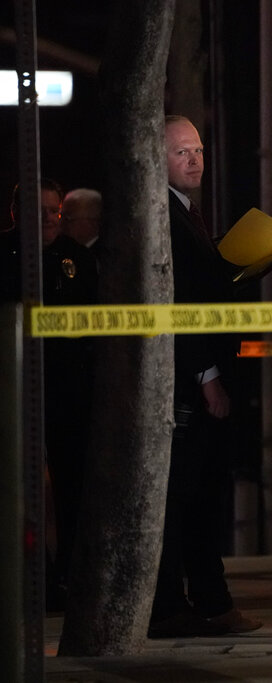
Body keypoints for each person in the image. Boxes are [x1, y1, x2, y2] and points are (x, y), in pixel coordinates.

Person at [149, 115, 262, 637]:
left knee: (202, 494)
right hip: (191, 384)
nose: (195, 159)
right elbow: (181, 305)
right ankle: (176, 604)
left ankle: (207, 599)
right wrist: (208, 375)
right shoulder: (165, 219)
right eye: (181, 152)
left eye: (197, 149)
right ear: (157, 160)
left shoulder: (187, 212)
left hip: (202, 375)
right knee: (187, 496)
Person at [8, 179, 98, 609]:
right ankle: (30, 577)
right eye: (39, 209)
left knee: (71, 488)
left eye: (53, 210)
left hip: (67, 391)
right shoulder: (6, 254)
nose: (48, 217)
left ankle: (66, 577)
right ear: (16, 213)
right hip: (16, 388)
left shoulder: (77, 258)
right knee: (20, 487)